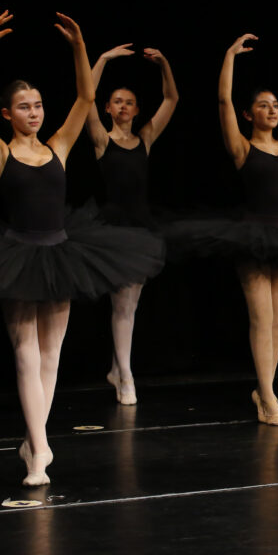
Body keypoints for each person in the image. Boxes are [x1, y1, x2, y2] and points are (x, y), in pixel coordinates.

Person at [0, 11, 163, 484]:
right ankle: (41, 449)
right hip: (17, 258)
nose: (34, 113)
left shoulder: (59, 146)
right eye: (24, 107)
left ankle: (34, 440)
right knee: (25, 352)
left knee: (51, 355)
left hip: (61, 253)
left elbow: (85, 98)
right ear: (8, 114)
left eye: (39, 105)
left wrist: (80, 47)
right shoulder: (1, 151)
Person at [167, 32, 278, 426]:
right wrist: (229, 57)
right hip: (253, 238)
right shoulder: (242, 148)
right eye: (263, 105)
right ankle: (267, 394)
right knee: (261, 319)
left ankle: (265, 389)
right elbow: (223, 102)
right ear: (249, 114)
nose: (272, 110)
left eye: (275, 105)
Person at [85, 43, 179, 405]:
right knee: (121, 305)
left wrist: (164, 64)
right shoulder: (101, 139)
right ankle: (125, 376)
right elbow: (85, 96)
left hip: (141, 230)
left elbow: (171, 99)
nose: (123, 106)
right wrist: (102, 60)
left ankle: (117, 367)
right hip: (113, 231)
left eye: (129, 102)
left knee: (130, 305)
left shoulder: (145, 139)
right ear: (107, 108)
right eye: (117, 102)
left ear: (137, 110)